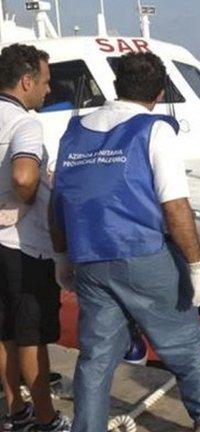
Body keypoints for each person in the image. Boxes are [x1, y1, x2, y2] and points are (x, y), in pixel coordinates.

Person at [50, 52, 200, 432]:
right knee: (185, 340)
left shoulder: (73, 131)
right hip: (141, 252)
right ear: (160, 94)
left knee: (95, 357)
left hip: (89, 260)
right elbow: (176, 207)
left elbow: (58, 200)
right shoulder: (154, 129)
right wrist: (197, 267)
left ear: (115, 86)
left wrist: (62, 256)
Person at [0, 44, 71, 432]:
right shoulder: (25, 123)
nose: (48, 91)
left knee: (4, 331)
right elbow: (25, 176)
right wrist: (20, 202)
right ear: (25, 81)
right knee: (31, 335)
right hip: (22, 248)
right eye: (44, 82)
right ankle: (46, 418)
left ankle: (16, 411)